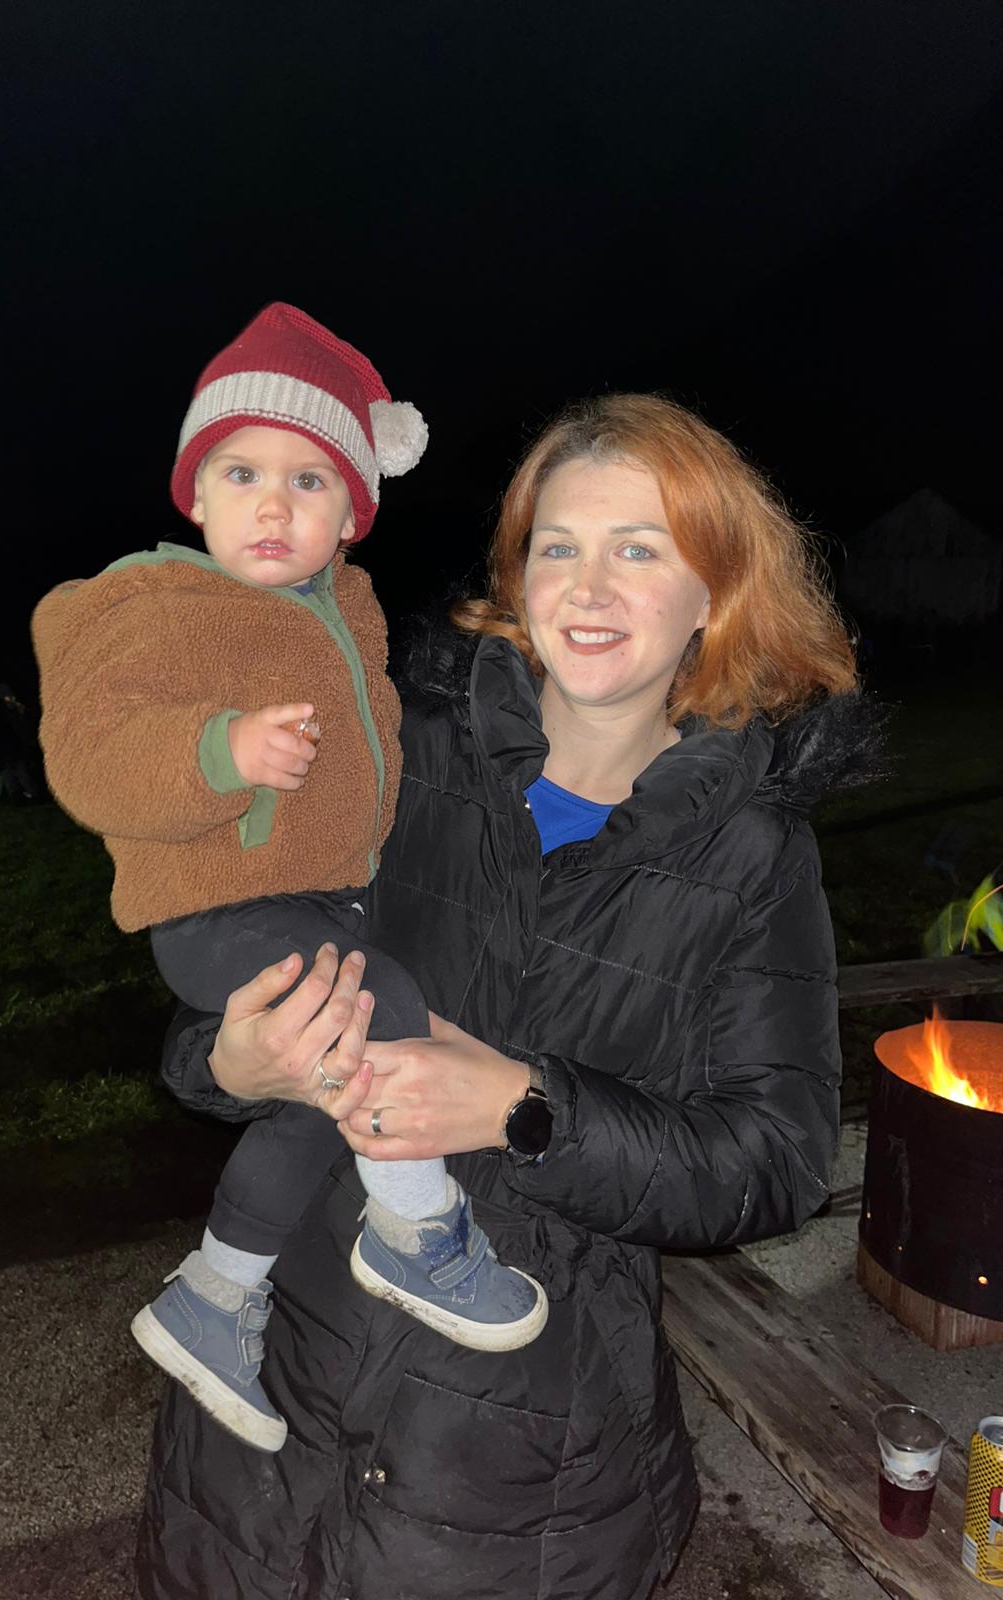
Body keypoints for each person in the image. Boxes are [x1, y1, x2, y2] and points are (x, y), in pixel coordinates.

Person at [135, 392, 880, 1600]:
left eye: (640, 550)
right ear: (518, 577)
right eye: (559, 546)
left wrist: (526, 1110)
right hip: (270, 1408)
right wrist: (229, 1062)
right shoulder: (398, 752)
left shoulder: (752, 854)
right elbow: (227, 966)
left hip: (523, 1477)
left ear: (715, 593)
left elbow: (776, 1162)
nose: (589, 587)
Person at [31, 304, 545, 1457]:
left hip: (309, 899)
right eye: (242, 472)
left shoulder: (346, 611)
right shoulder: (158, 604)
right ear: (195, 494)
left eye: (309, 480)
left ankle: (213, 1297)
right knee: (380, 1004)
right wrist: (219, 750)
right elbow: (88, 754)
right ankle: (417, 1232)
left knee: (322, 1089)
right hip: (215, 904)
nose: (273, 503)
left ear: (352, 514)